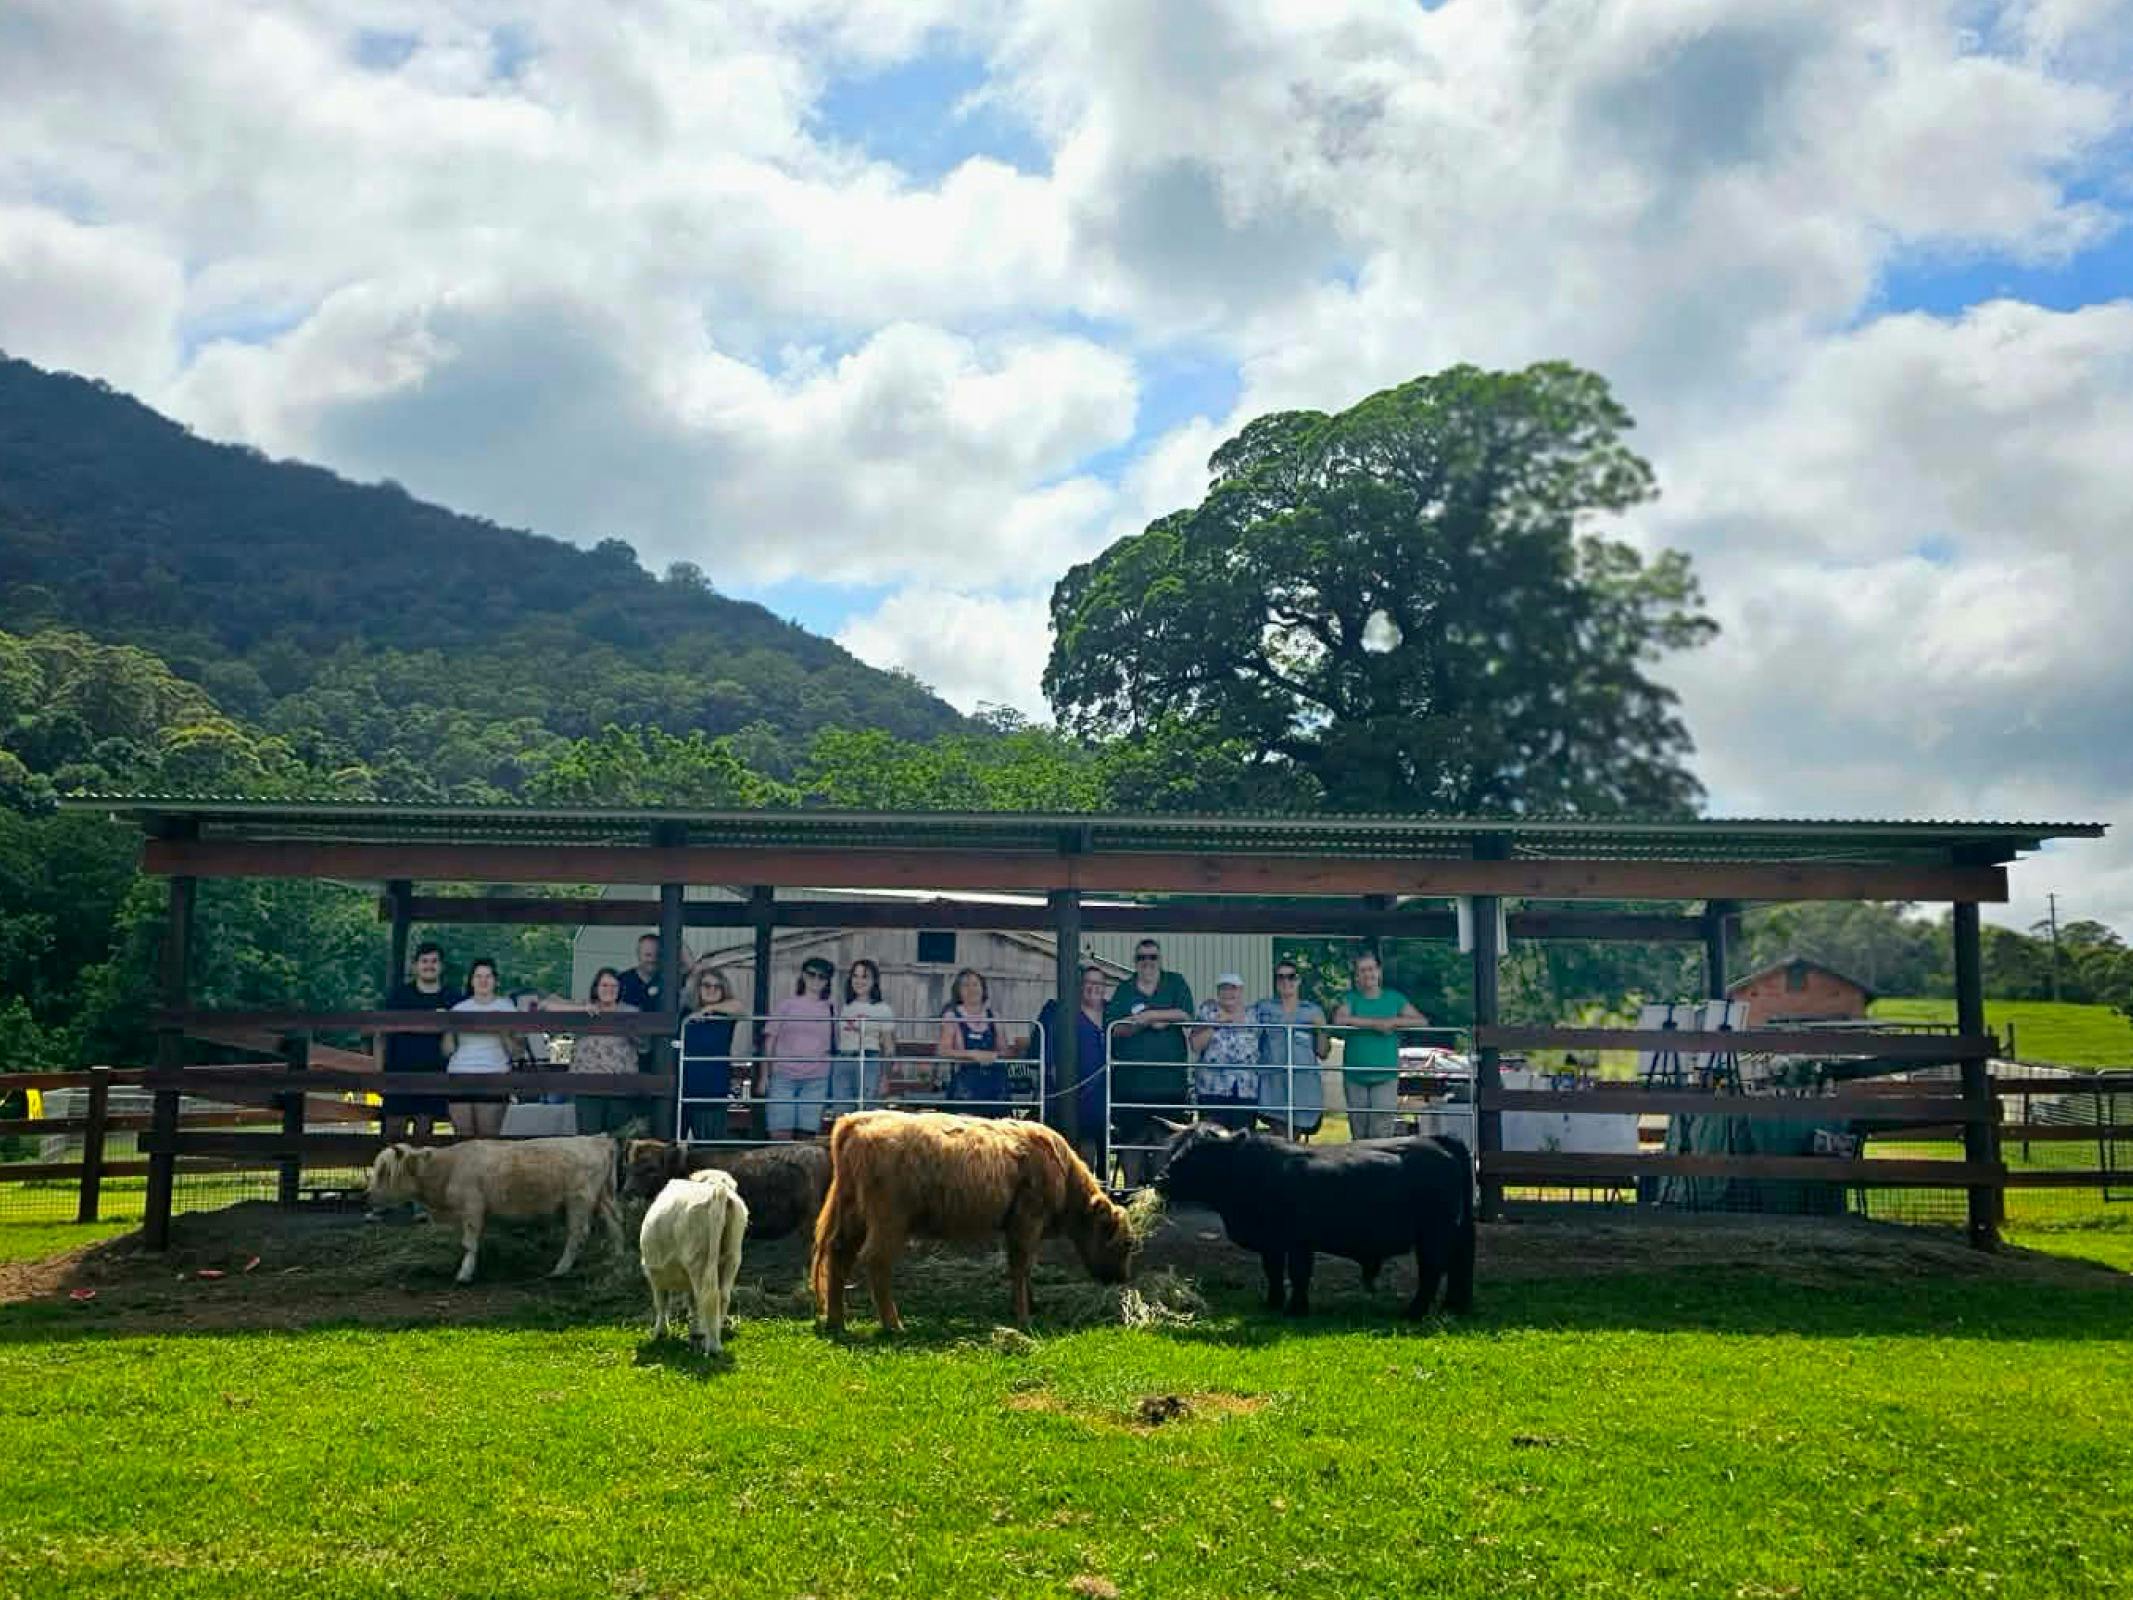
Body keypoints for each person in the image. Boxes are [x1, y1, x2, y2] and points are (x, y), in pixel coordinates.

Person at [1102, 939, 1195, 1182]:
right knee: (1131, 1141)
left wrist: (1152, 1014)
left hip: (1170, 1083)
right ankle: (1132, 1195)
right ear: (1135, 962)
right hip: (1130, 1083)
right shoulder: (1124, 989)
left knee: (1166, 1141)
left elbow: (1185, 1014)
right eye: (1142, 957)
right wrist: (1141, 1023)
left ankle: (1160, 1198)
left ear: (1160, 959)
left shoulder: (1175, 982)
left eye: (1152, 957)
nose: (1147, 962)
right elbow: (1114, 1028)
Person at [1332, 949, 1427, 1141]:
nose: (1368, 974)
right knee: (1359, 1131)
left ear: (1379, 972)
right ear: (1357, 976)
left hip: (1385, 1074)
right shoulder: (1351, 998)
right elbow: (1339, 1019)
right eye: (1363, 970)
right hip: (1355, 1074)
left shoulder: (1394, 998)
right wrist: (1374, 1024)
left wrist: (1394, 1022)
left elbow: (1421, 1021)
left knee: (1381, 1130)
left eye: (1372, 969)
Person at [377, 941, 458, 1143]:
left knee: (423, 1137)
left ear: (441, 966)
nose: (429, 966)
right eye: (424, 961)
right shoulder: (399, 996)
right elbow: (380, 1035)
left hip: (433, 1075)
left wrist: (446, 1023)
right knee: (393, 1137)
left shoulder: (452, 998)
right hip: (397, 1073)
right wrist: (378, 1074)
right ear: (415, 966)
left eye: (434, 961)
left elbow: (454, 1044)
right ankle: (392, 1176)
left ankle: (418, 1176)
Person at [1038, 964, 1110, 1167]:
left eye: (1099, 983)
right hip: (1076, 1094)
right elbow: (1050, 1056)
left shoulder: (1113, 1011)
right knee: (1082, 1147)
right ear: (1079, 986)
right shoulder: (1062, 1013)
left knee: (1107, 1146)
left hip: (1107, 1094)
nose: (1093, 987)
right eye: (1088, 982)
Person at [1253, 960, 1331, 1138]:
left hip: (1303, 1087)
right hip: (1273, 1085)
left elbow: (1324, 1052)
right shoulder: (1263, 1008)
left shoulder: (1313, 1011)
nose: (1285, 981)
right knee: (1279, 1137)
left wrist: (1320, 1030)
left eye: (1291, 977)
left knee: (1294, 1138)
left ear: (1299, 980)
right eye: (1280, 977)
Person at [444, 957, 517, 1140]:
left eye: (488, 976)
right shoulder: (458, 1009)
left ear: (496, 981)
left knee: (488, 1141)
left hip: (494, 1075)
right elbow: (447, 1050)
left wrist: (501, 1031)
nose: (483, 981)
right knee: (463, 1141)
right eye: (478, 976)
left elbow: (516, 1052)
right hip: (459, 1074)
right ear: (471, 981)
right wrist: (449, 1029)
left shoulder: (507, 1009)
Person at [762, 957, 835, 1140]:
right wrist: (764, 1076)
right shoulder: (786, 1005)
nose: (816, 980)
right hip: (783, 1076)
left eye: (822, 976)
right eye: (811, 974)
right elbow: (770, 1040)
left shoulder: (832, 1009)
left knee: (807, 1137)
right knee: (779, 1133)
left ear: (827, 981)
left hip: (817, 1079)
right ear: (803, 976)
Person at [571, 966, 642, 1136]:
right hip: (587, 1085)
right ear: (596, 988)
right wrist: (580, 1010)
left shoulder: (631, 1011)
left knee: (618, 1136)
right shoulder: (584, 1009)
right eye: (604, 985)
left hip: (620, 1086)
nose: (609, 990)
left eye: (613, 986)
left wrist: (631, 1031)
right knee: (589, 1139)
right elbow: (545, 1006)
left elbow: (645, 1045)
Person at [679, 966, 746, 1141]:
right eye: (706, 985)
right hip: (682, 1087)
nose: (711, 989)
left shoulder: (724, 1015)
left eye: (717, 986)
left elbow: (740, 1008)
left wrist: (709, 1010)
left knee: (710, 1146)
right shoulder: (685, 1013)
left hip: (711, 1089)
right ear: (698, 988)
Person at [1189, 973, 1260, 1129]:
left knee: (1243, 1138)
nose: (1228, 993)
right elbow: (1195, 1045)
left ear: (1241, 991)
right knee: (1213, 1139)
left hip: (1245, 1089)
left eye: (1233, 989)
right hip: (1212, 1088)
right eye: (1223, 989)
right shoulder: (1207, 1011)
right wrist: (1216, 1023)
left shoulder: (1254, 1014)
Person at [939, 967, 1009, 1116]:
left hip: (994, 1084)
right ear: (958, 991)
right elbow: (943, 1050)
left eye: (975, 984)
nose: (971, 989)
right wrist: (972, 1055)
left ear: (983, 988)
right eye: (965, 985)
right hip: (965, 1085)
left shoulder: (994, 1016)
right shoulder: (952, 1016)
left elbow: (1004, 1051)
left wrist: (994, 1056)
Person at [832, 958, 895, 1120]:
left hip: (869, 1061)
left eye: (865, 976)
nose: (859, 981)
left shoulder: (882, 1009)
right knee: (843, 1114)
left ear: (874, 981)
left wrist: (885, 1077)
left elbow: (889, 1047)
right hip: (843, 1060)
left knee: (867, 1114)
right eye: (855, 976)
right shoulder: (844, 1006)